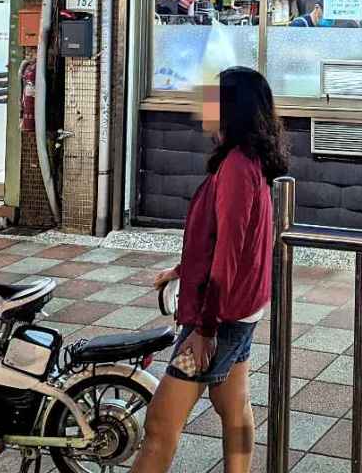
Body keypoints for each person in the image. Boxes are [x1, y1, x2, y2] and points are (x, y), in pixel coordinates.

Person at [139, 68, 289, 473]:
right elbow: (222, 241)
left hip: (218, 318)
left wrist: (205, 330)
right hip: (239, 310)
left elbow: (228, 253)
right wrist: (182, 269)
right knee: (234, 407)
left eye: (211, 101)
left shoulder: (238, 167)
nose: (202, 109)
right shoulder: (247, 160)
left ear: (231, 111)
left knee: (160, 426)